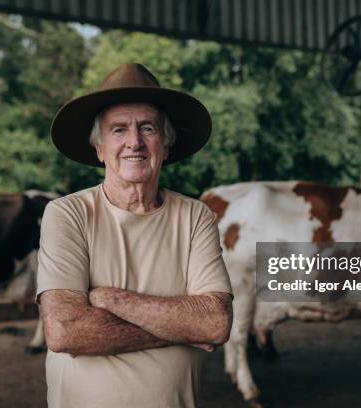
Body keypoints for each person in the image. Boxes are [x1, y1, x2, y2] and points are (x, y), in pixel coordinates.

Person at [36, 63, 233, 408]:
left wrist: (112, 300)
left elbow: (214, 323)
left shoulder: (195, 216)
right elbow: (64, 331)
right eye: (118, 130)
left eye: (147, 128)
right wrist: (180, 328)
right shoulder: (68, 214)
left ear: (166, 145)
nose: (134, 142)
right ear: (99, 149)